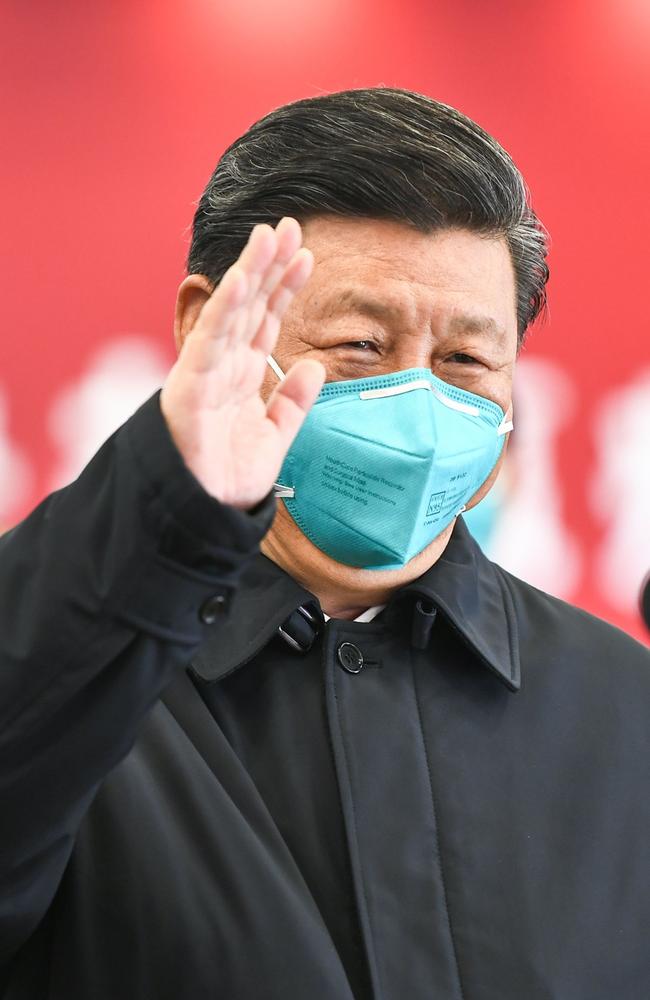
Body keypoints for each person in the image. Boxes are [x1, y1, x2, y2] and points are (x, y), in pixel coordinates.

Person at [1, 87, 648, 1000]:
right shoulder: (75, 670)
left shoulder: (623, 711)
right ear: (205, 326)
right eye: (359, 343)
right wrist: (165, 510)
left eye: (465, 361)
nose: (418, 407)